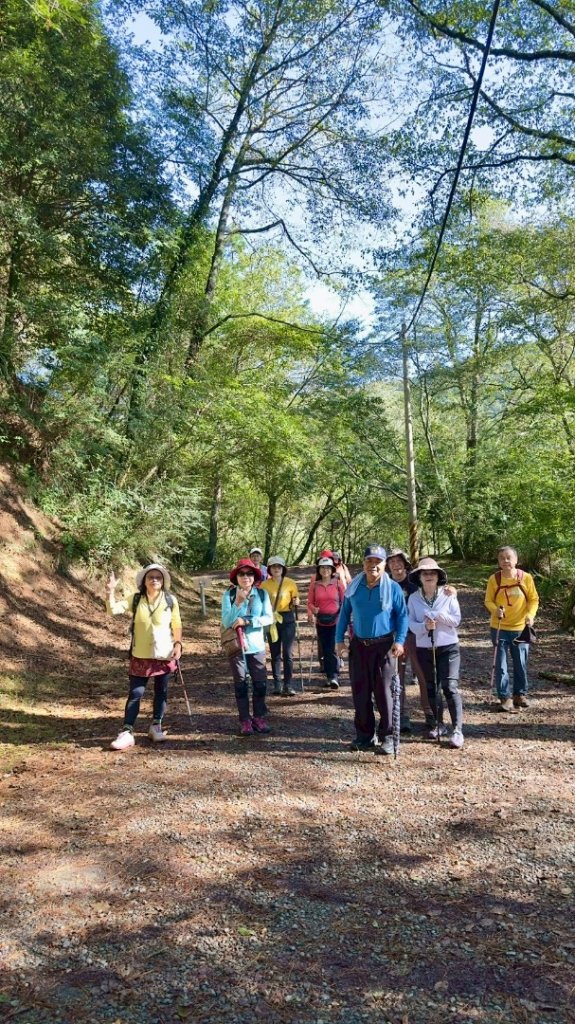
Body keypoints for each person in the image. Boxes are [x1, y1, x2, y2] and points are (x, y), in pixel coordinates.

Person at [335, 545, 408, 755]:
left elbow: (402, 616)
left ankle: (389, 737)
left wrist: (400, 641)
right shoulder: (354, 587)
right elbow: (344, 614)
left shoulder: (392, 588)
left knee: (385, 693)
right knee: (360, 691)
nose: (373, 565)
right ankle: (365, 736)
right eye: (369, 561)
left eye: (378, 561)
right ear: (364, 562)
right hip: (359, 645)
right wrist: (339, 641)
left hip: (384, 646)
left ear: (384, 564)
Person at [106, 563, 182, 751]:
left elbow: (177, 624)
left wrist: (178, 644)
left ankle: (156, 725)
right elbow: (113, 609)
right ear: (144, 581)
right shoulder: (136, 599)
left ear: (163, 581)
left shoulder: (170, 600)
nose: (154, 580)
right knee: (136, 693)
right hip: (140, 654)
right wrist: (110, 592)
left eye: (158, 577)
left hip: (164, 654)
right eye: (151, 577)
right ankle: (127, 731)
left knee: (161, 692)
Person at [408, 557, 464, 748]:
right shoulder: (413, 598)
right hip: (425, 647)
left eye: (433, 573)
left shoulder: (448, 594)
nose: (429, 576)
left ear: (439, 576)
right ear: (419, 577)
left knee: (449, 686)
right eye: (425, 573)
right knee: (431, 687)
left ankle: (457, 729)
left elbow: (456, 620)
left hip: (448, 647)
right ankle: (439, 724)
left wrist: (440, 617)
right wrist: (424, 625)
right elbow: (411, 624)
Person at [222, 558, 273, 735]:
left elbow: (268, 618)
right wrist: (238, 602)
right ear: (236, 577)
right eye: (242, 574)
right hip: (237, 647)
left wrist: (248, 621)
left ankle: (259, 717)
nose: (246, 577)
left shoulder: (262, 595)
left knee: (260, 684)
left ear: (254, 576)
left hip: (256, 645)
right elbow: (227, 621)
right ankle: (245, 720)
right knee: (241, 684)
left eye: (249, 573)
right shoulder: (228, 596)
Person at [484, 546, 539, 712]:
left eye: (509, 557)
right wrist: (496, 610)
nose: (506, 561)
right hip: (499, 627)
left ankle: (519, 694)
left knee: (520, 662)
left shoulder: (526, 578)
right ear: (498, 562)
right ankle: (504, 696)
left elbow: (534, 599)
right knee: (500, 664)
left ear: (516, 560)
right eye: (502, 558)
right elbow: (488, 601)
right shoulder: (495, 579)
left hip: (521, 628)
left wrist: (530, 615)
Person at [261, 556, 300, 696]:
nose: (276, 569)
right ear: (270, 569)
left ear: (283, 568)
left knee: (288, 653)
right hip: (271, 619)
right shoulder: (264, 585)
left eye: (279, 566)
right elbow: (261, 602)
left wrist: (296, 601)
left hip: (287, 618)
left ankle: (288, 685)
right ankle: (277, 684)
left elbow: (295, 598)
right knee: (275, 652)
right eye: (273, 566)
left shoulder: (290, 583)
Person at [307, 556, 345, 689]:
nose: (325, 570)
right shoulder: (315, 585)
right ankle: (329, 675)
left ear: (332, 569)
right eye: (322, 567)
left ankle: (334, 676)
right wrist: (313, 610)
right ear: (319, 570)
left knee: (332, 648)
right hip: (321, 620)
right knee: (325, 648)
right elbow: (310, 602)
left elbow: (344, 602)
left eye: (328, 567)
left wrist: (342, 618)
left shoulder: (337, 583)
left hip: (336, 620)